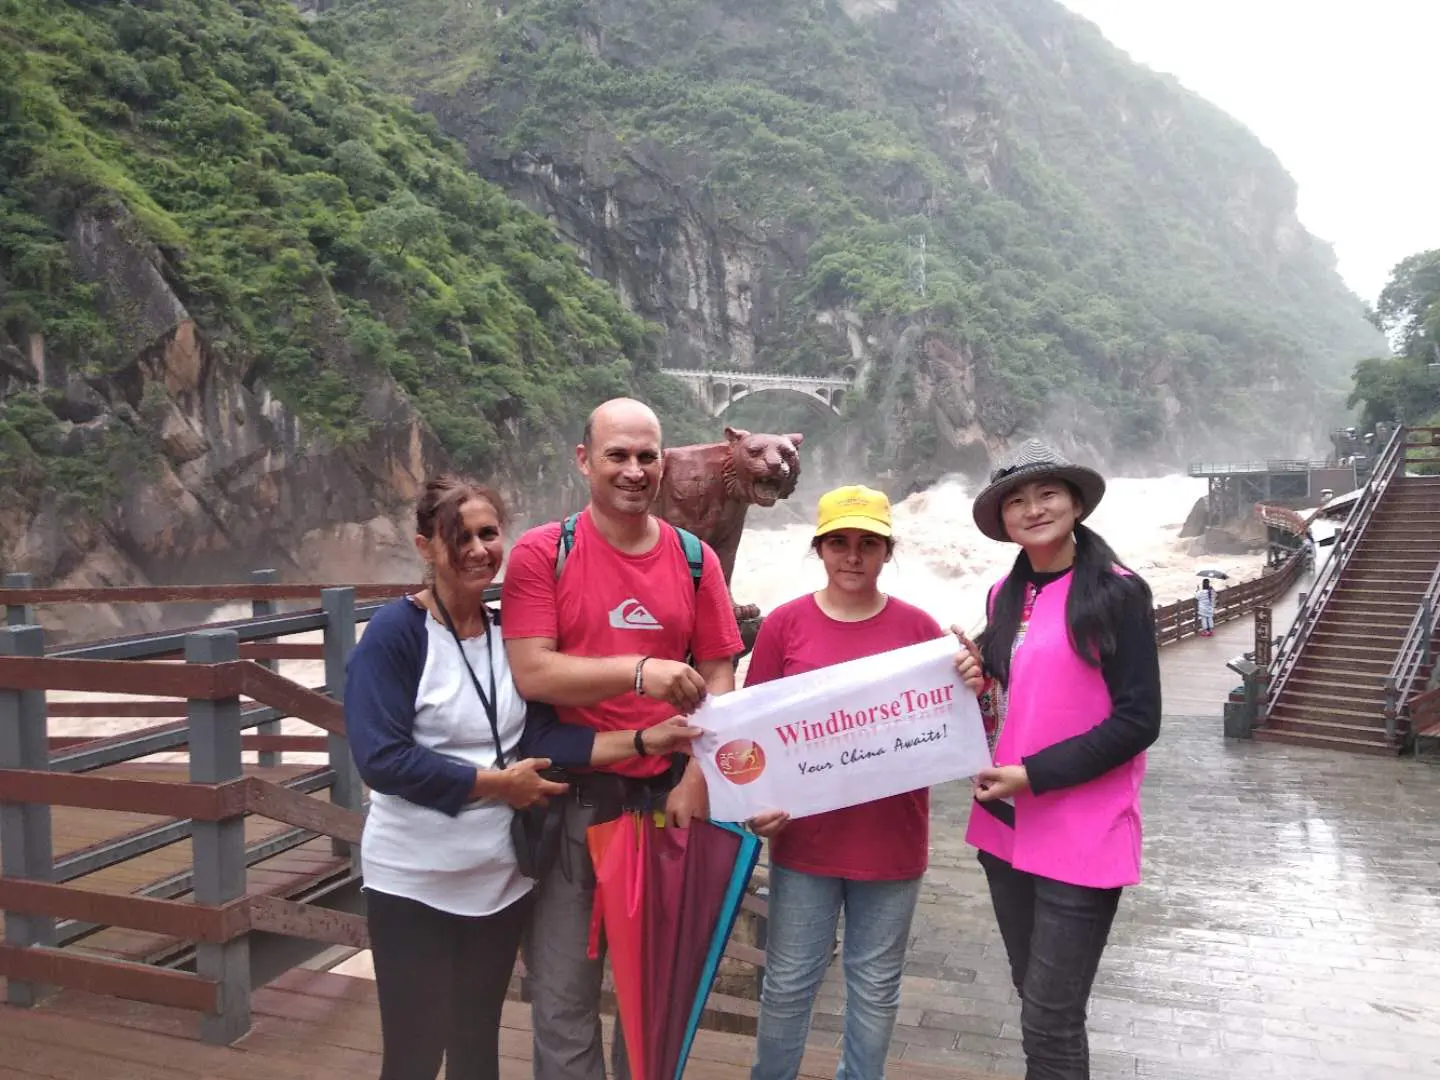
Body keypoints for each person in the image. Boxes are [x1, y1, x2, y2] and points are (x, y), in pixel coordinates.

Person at [344, 473, 700, 1080]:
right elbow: (381, 758)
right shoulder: (395, 635)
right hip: (413, 881)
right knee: (413, 1053)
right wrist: (495, 785)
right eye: (460, 536)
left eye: (489, 533)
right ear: (425, 546)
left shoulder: (505, 632)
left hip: (498, 881)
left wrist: (644, 740)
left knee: (477, 1049)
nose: (480, 549)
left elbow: (540, 739)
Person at [501, 399, 746, 1080]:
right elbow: (531, 670)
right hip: (571, 803)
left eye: (647, 456)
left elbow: (719, 667)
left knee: (653, 999)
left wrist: (701, 775)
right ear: (585, 461)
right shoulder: (543, 553)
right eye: (618, 455)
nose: (634, 471)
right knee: (561, 998)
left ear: (664, 463)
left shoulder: (695, 560)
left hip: (667, 806)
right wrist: (641, 673)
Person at [743, 484, 984, 1080]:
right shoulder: (784, 625)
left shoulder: (919, 629)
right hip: (806, 841)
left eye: (868, 544)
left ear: (886, 552)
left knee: (875, 988)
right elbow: (753, 731)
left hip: (892, 839)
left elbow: (958, 726)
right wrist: (754, 805)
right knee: (789, 983)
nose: (853, 556)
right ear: (819, 549)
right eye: (840, 543)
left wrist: (975, 684)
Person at [963, 439, 1161, 1080]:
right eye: (1016, 500)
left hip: (1084, 829)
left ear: (1075, 502)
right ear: (1004, 521)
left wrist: (1035, 774)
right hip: (1007, 826)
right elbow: (1013, 690)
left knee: (1051, 1017)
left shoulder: (1118, 592)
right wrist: (976, 676)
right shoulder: (1003, 595)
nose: (1033, 508)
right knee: (1036, 1002)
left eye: (1047, 492)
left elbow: (1138, 720)